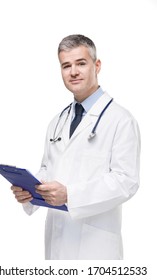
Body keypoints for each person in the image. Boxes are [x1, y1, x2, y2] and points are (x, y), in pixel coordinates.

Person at [11, 34, 141, 260]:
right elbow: (48, 169)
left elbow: (126, 181)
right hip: (57, 245)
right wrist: (30, 191)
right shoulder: (57, 121)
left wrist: (70, 195)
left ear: (96, 65)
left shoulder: (121, 120)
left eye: (81, 63)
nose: (73, 72)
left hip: (96, 250)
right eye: (66, 65)